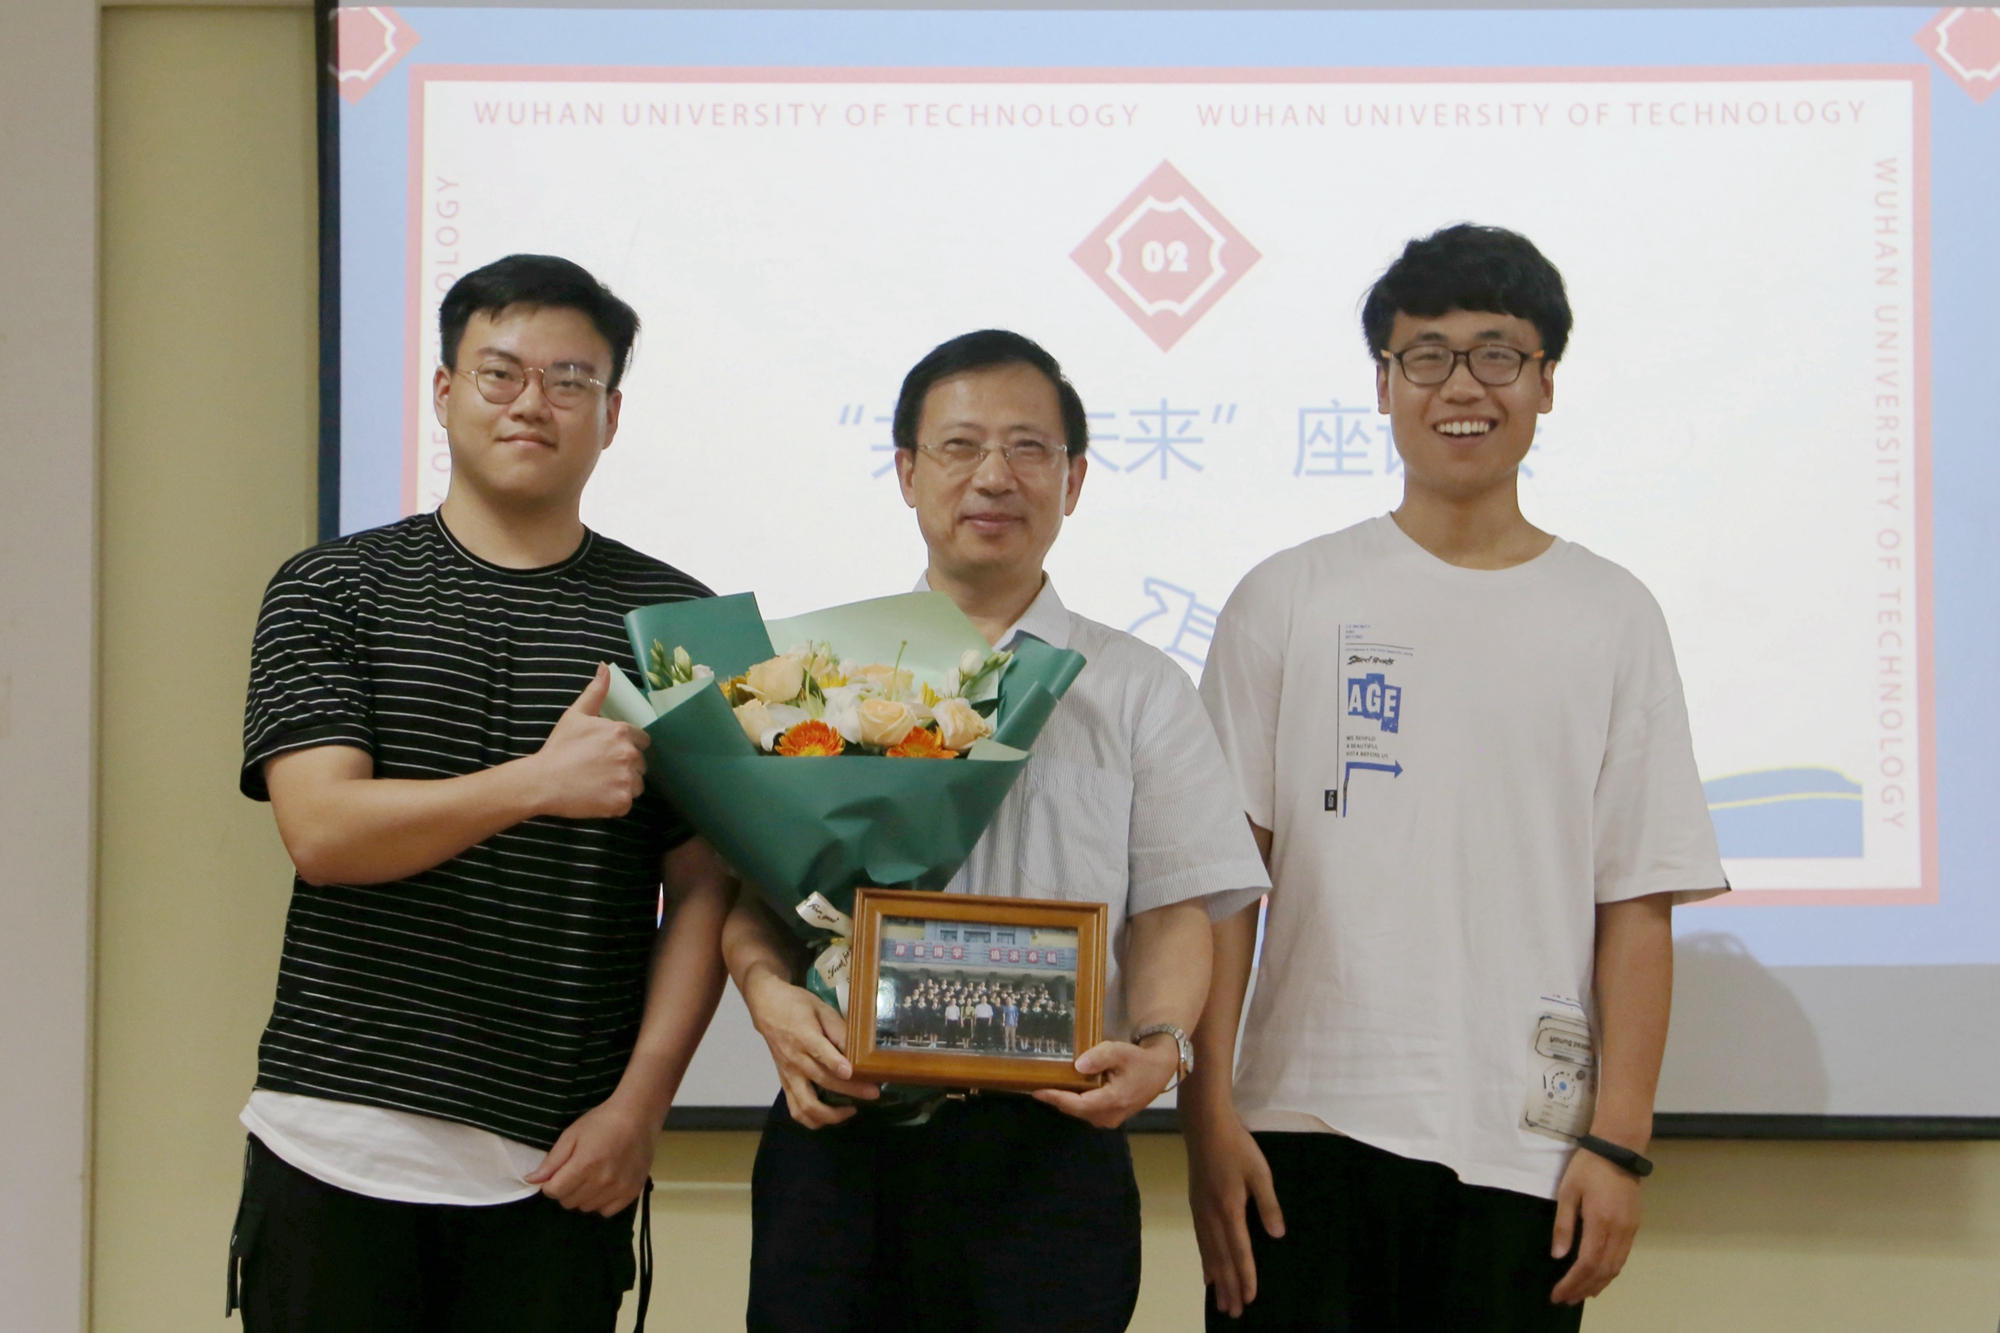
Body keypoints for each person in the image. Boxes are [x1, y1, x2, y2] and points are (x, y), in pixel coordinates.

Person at [1184, 224, 1728, 1332]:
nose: (1461, 386)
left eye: (1497, 354)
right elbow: (1223, 886)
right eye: (1426, 355)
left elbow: (1636, 899)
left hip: (1525, 1152)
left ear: (1544, 382)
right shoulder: (1287, 596)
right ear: (1382, 385)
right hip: (1299, 1130)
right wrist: (1206, 1119)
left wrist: (1619, 1140)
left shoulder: (1612, 614)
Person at [724, 329, 1271, 1333]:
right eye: (960, 446)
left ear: (1073, 478)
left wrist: (1161, 1044)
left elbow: (1173, 909)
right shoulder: (813, 675)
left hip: (1049, 1157)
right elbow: (757, 897)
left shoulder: (1137, 688)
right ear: (905, 471)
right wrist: (766, 994)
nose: (993, 476)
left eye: (1027, 448)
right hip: (842, 1139)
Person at [229, 254, 735, 1332]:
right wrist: (538, 784)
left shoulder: (679, 623)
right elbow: (323, 832)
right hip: (334, 1141)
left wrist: (641, 1107)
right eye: (500, 372)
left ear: (611, 414)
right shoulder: (330, 587)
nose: (531, 403)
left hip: (561, 1163)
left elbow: (705, 890)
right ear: (444, 391)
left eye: (570, 379)